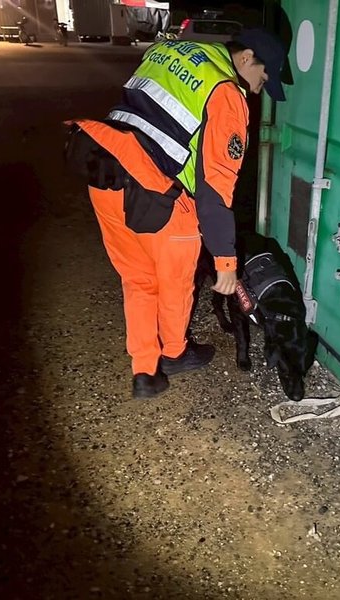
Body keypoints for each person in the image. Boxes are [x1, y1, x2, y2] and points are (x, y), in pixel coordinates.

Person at [65, 28, 287, 399]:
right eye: (262, 78)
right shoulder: (227, 93)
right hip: (157, 196)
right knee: (175, 283)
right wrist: (225, 261)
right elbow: (215, 187)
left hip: (104, 172)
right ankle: (173, 354)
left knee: (137, 281)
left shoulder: (174, 51)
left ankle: (144, 371)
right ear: (246, 57)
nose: (258, 89)